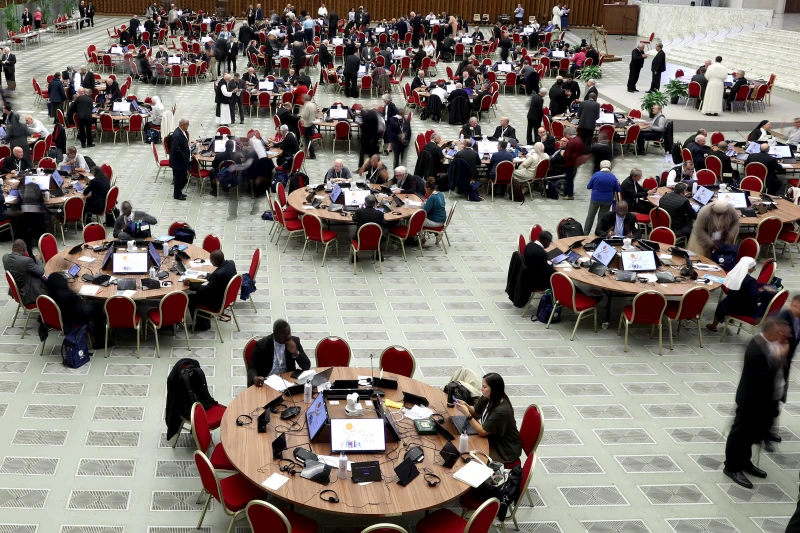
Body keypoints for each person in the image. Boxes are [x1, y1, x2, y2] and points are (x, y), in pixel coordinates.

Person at [723, 318, 790, 488]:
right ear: (771, 332)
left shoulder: (774, 343)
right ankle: (731, 467)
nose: (784, 336)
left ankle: (744, 461)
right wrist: (779, 358)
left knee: (751, 434)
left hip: (767, 400)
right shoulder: (755, 348)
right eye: (781, 333)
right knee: (739, 434)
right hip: (751, 400)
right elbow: (760, 377)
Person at [453, 373, 522, 465]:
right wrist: (466, 405)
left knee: (471, 457)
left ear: (494, 389)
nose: (481, 389)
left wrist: (467, 414)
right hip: (492, 439)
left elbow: (482, 432)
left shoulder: (501, 411)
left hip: (504, 449)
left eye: (484, 387)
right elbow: (475, 411)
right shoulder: (487, 398)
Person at [707, 257, 777, 333]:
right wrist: (763, 290)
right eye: (753, 268)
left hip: (732, 301)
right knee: (725, 303)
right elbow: (755, 295)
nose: (754, 270)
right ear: (749, 268)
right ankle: (728, 320)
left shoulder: (733, 274)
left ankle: (714, 325)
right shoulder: (750, 280)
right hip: (743, 307)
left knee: (723, 303)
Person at [44, 273, 107, 346]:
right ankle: (99, 340)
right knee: (97, 307)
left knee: (92, 307)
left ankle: (95, 326)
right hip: (73, 318)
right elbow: (79, 304)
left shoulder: (50, 294)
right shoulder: (66, 295)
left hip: (60, 318)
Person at [247, 319, 311, 386]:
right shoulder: (262, 345)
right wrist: (254, 377)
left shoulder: (294, 341)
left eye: (289, 333)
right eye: (284, 335)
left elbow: (307, 366)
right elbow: (252, 367)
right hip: (268, 381)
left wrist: (296, 353)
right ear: (275, 334)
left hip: (288, 380)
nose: (288, 337)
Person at [187, 250, 237, 331]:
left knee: (191, 297)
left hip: (218, 301)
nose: (211, 262)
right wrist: (208, 276)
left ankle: (202, 325)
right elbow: (220, 278)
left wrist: (191, 284)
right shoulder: (231, 263)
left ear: (216, 261)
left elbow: (207, 291)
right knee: (198, 292)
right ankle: (204, 319)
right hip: (227, 297)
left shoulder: (218, 274)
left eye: (211, 261)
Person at [2, 239, 47, 307]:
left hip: (17, 292)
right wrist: (38, 260)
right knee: (53, 286)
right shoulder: (27, 261)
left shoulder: (5, 257)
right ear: (24, 249)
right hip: (29, 295)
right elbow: (41, 271)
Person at [584, 160, 620, 235]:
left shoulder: (596, 175)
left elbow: (588, 186)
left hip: (595, 199)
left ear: (600, 167)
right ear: (610, 167)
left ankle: (585, 233)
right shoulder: (613, 177)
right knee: (602, 218)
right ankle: (598, 233)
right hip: (607, 200)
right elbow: (618, 189)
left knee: (590, 216)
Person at [562, 127, 588, 200]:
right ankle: (566, 192)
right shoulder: (579, 139)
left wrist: (563, 154)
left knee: (569, 179)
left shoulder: (571, 142)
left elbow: (567, 155)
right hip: (576, 162)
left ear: (568, 134)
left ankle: (570, 195)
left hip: (570, 163)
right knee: (571, 178)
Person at [169, 118, 191, 200]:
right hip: (178, 162)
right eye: (188, 124)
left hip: (182, 161)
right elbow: (176, 149)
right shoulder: (177, 135)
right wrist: (184, 156)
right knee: (179, 179)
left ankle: (179, 192)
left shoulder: (182, 132)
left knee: (183, 178)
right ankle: (177, 195)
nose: (188, 126)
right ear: (184, 125)